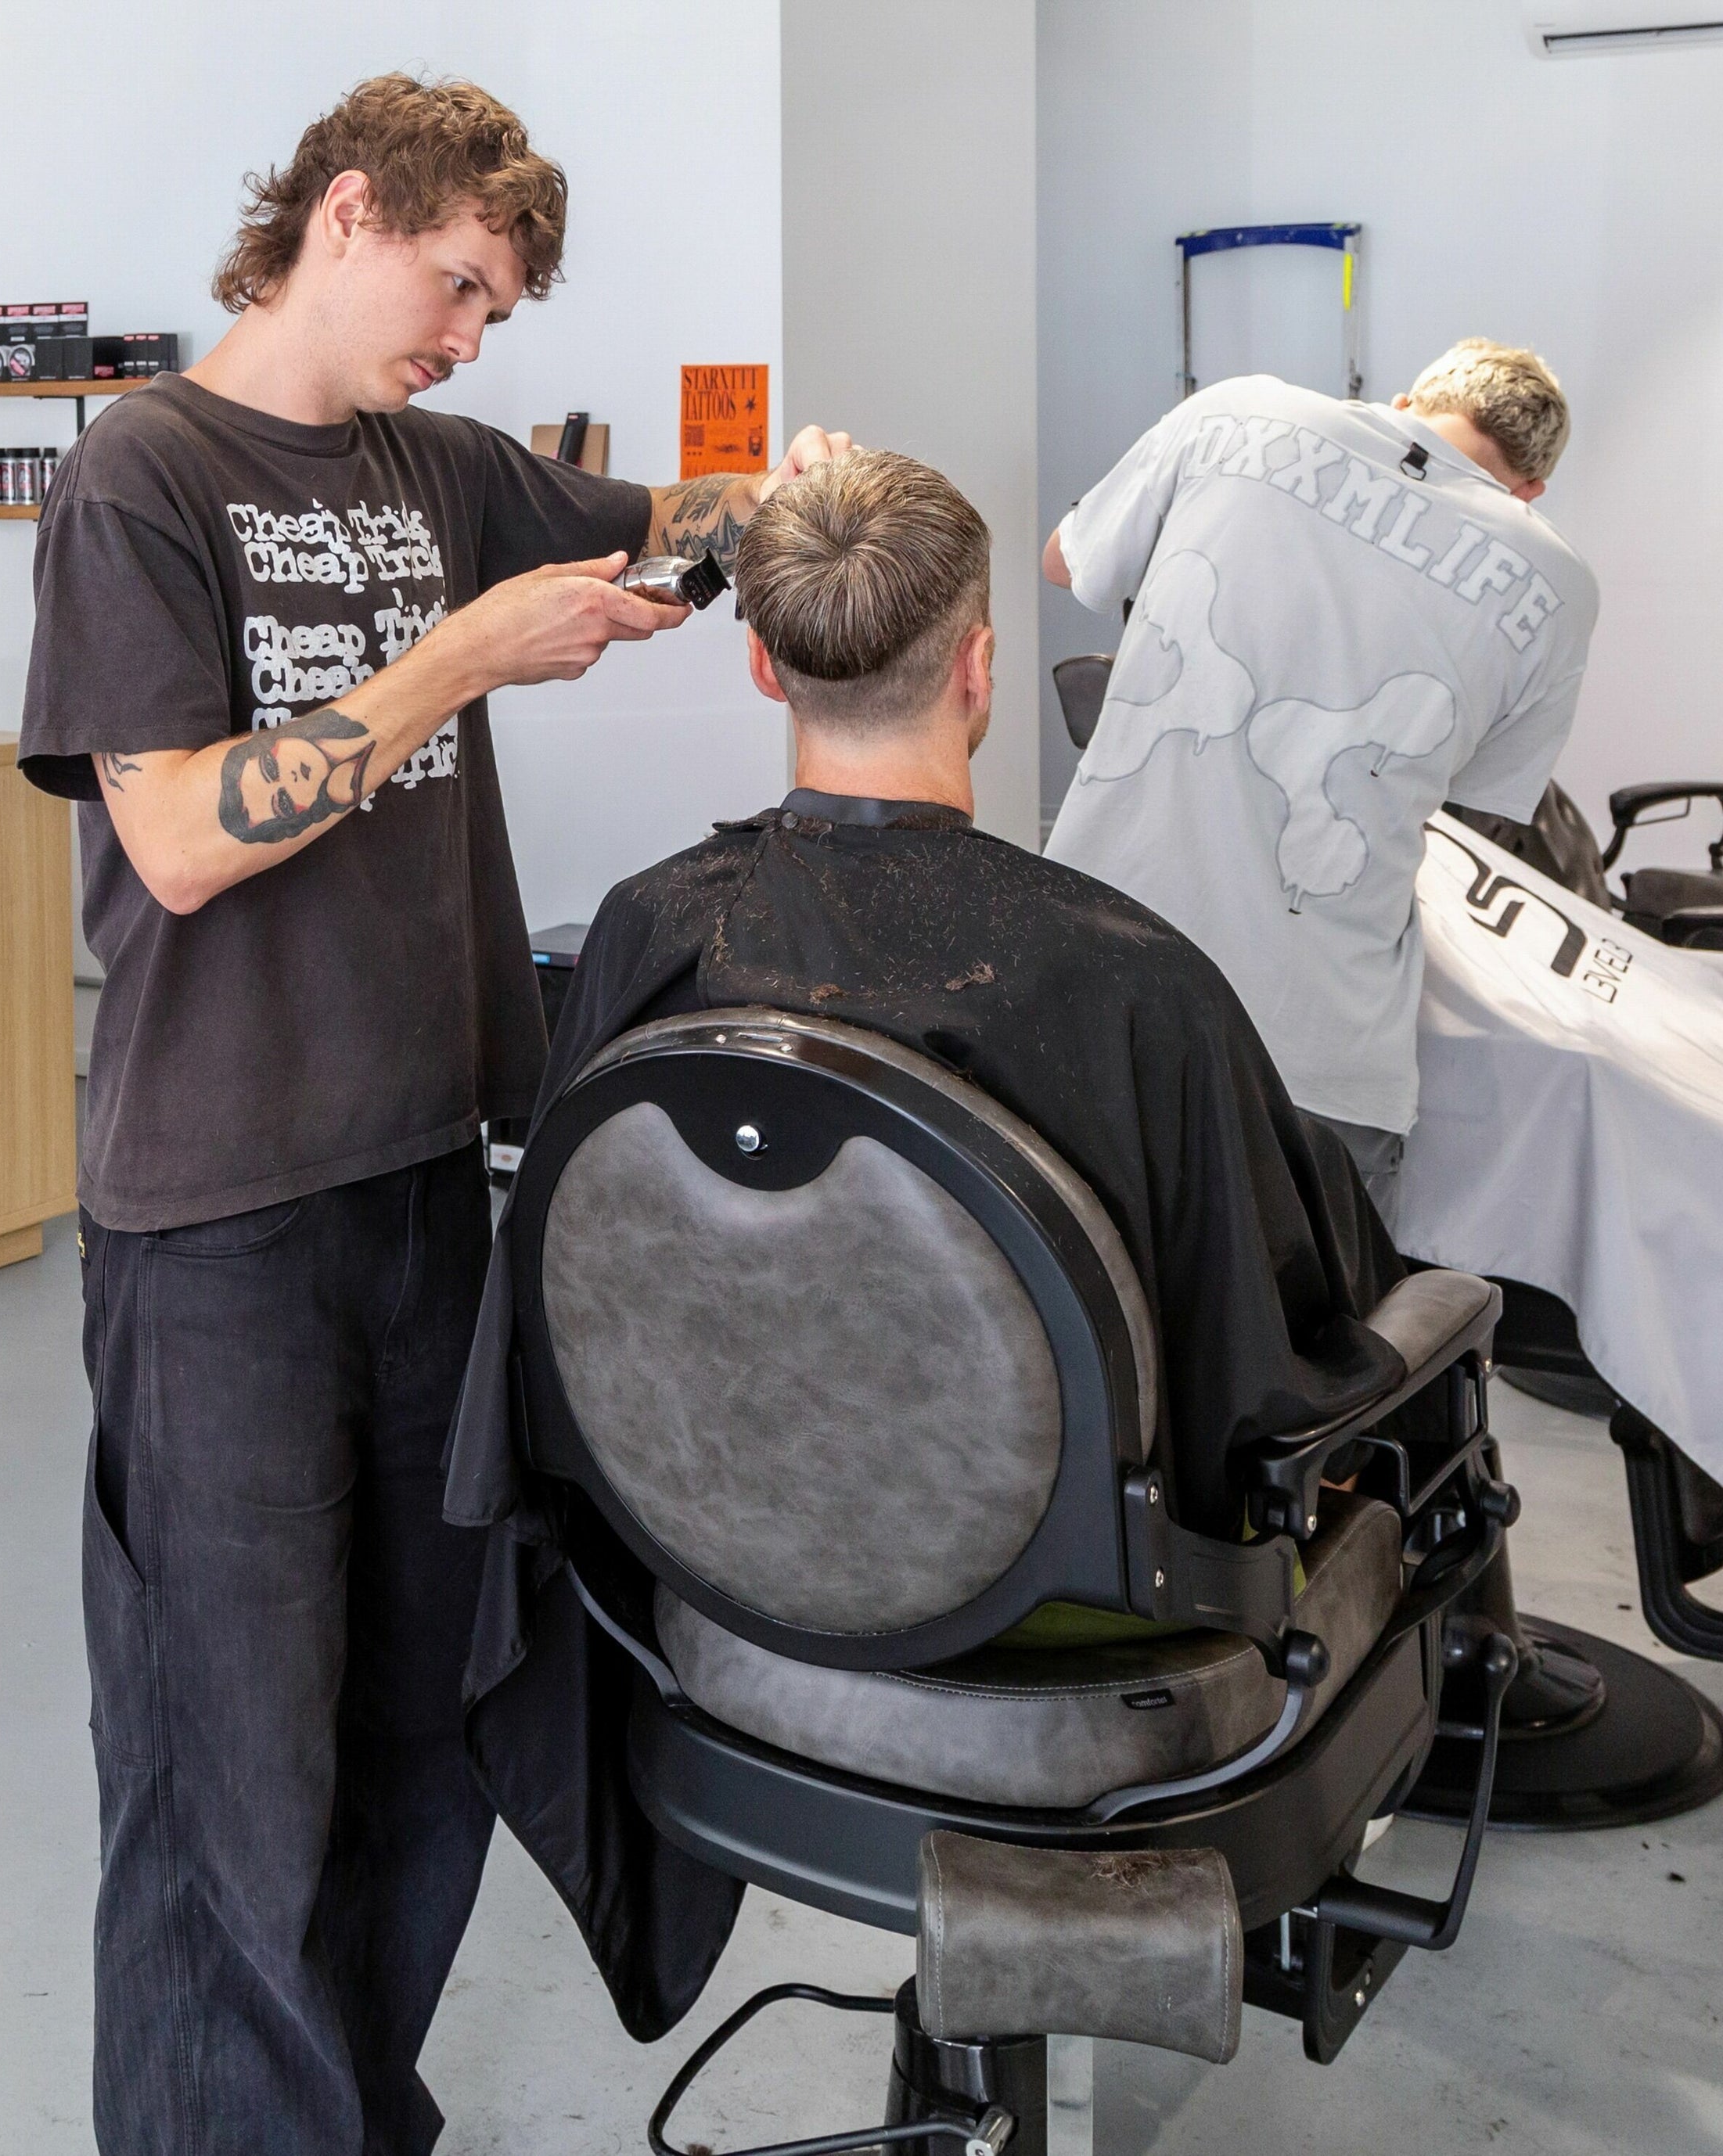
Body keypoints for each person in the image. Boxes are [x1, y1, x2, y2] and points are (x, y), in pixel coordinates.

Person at [16, 73, 847, 2156]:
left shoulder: (437, 463)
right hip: (214, 1218)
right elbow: (185, 837)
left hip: (423, 1190)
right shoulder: (142, 475)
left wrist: (786, 496)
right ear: (350, 213)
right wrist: (459, 657)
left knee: (416, 1726)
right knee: (233, 1766)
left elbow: (670, 523)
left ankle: (344, 2118)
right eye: (460, 285)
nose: (474, 337)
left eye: (500, 311)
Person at [442, 450, 1418, 2038]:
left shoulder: (643, 929)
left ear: (762, 662)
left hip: (732, 1592)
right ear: (979, 670)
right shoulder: (1127, 980)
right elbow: (1269, 1377)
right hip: (1080, 1632)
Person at [1041, 340, 1594, 1221]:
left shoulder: (1238, 409)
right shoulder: (1558, 582)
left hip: (1096, 1001)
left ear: (1409, 399)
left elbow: (1067, 561)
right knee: (1312, 1347)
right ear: (1531, 491)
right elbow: (1477, 799)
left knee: (1087, 1323)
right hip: (1320, 1059)